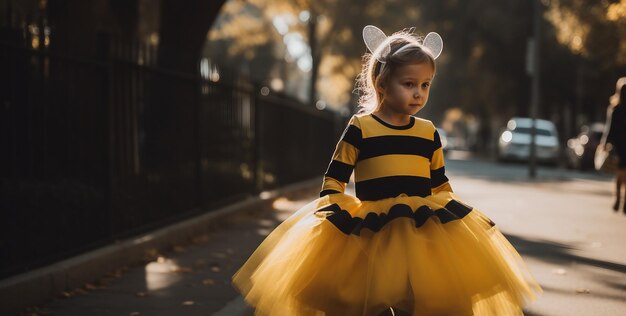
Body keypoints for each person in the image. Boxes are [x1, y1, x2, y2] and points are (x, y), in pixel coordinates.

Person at [232, 25, 540, 315]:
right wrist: (335, 215)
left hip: (421, 234)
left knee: (422, 300)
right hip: (371, 233)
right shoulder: (361, 128)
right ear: (381, 83)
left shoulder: (428, 132)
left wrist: (452, 220)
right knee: (364, 302)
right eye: (408, 84)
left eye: (425, 85)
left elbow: (439, 183)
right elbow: (334, 179)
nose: (418, 93)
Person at [605, 77, 626, 212]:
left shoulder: (615, 109)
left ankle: (618, 199)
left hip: (619, 146)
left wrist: (605, 143)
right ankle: (624, 203)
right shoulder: (616, 109)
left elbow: (610, 128)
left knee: (619, 175)